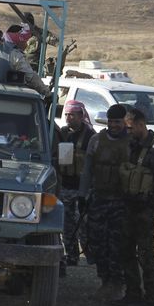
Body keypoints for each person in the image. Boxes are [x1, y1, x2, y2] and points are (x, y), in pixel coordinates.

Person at [112, 108, 154, 306]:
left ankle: (151, 297)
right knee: (125, 251)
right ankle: (133, 293)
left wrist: (149, 205)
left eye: (129, 128)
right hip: (128, 207)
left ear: (140, 125)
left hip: (143, 211)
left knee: (146, 255)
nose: (127, 132)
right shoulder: (132, 146)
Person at [78, 103, 129, 301]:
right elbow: (87, 170)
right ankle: (105, 281)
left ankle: (118, 283)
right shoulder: (96, 140)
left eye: (117, 122)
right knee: (97, 243)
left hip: (121, 201)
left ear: (124, 121)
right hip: (99, 199)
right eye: (111, 122)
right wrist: (82, 196)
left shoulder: (131, 141)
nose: (113, 125)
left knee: (117, 245)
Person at [57, 100, 96, 274]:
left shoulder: (91, 136)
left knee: (84, 224)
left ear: (81, 116)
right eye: (66, 114)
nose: (68, 118)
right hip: (65, 185)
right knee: (66, 224)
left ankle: (90, 254)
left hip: (83, 188)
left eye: (72, 115)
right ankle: (72, 255)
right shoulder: (62, 133)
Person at [0, 24, 49, 97]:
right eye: (24, 40)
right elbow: (31, 77)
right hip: (2, 96)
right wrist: (46, 92)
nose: (26, 44)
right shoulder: (13, 53)